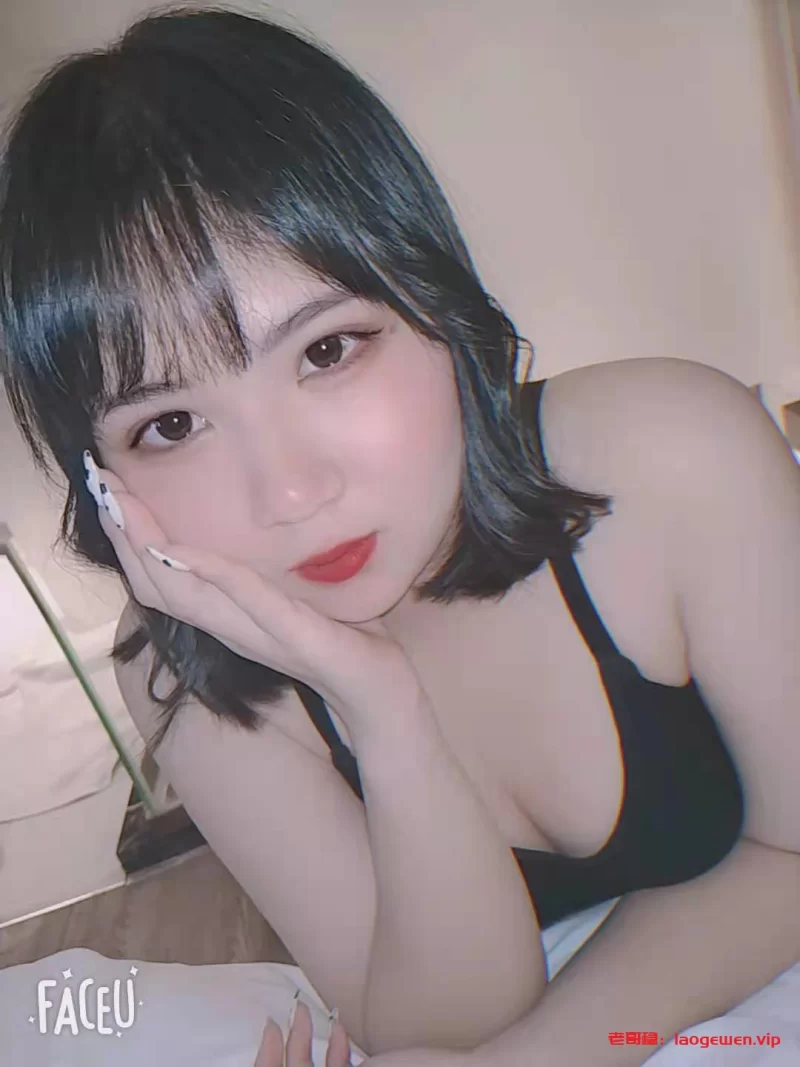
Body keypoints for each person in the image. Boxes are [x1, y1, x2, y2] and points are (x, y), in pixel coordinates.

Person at [0, 7, 798, 1066]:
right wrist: (382, 709)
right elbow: (430, 1027)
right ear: (102, 481)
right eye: (172, 425)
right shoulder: (186, 674)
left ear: (434, 298)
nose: (291, 491)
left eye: (328, 350)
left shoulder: (671, 453)